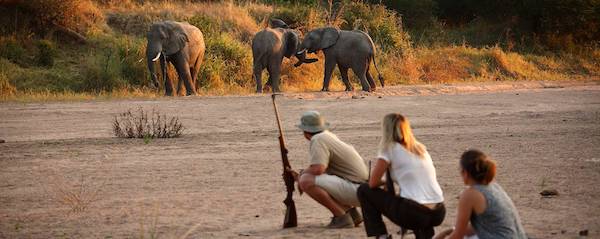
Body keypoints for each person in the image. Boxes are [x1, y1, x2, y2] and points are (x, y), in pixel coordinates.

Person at [357, 113, 445, 239]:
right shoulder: (420, 149)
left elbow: (372, 183)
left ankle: (381, 235)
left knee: (364, 190)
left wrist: (385, 182)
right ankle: (425, 235)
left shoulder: (389, 149)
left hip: (415, 214)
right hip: (438, 211)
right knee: (413, 199)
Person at [287, 111, 369, 228]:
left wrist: (301, 176)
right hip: (362, 190)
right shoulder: (328, 136)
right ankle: (352, 214)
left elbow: (318, 169)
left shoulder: (318, 139)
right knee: (308, 178)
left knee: (306, 180)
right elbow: (323, 171)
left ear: (306, 131)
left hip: (357, 190)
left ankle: (341, 217)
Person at [434, 150, 527, 239]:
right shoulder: (494, 186)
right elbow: (480, 227)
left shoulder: (470, 195)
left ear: (465, 173)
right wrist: (447, 232)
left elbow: (458, 235)